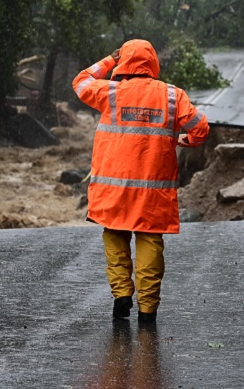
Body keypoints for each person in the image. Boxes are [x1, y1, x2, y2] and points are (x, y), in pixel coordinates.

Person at [72, 39, 210, 324]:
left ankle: (122, 294)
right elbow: (201, 128)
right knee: (149, 241)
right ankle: (148, 309)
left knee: (115, 235)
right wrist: (187, 141)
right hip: (152, 191)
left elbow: (81, 82)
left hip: (114, 188)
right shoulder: (173, 96)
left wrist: (109, 60)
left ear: (125, 63)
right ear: (153, 63)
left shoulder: (111, 92)